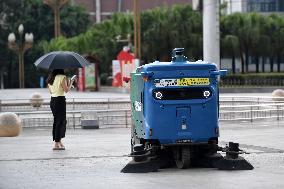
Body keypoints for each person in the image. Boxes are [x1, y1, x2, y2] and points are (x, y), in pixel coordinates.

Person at [46, 69, 76, 150]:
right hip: (60, 101)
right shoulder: (62, 77)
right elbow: (66, 90)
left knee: (57, 122)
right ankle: (56, 144)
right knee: (61, 122)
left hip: (53, 101)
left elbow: (51, 92)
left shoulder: (50, 78)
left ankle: (58, 141)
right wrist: (71, 82)